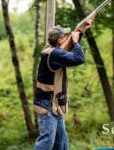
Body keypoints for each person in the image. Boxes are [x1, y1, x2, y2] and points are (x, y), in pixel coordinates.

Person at [33, 18, 94, 150]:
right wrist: (76, 40)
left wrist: (82, 30)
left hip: (54, 104)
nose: (67, 37)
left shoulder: (51, 50)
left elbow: (67, 48)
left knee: (61, 142)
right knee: (46, 142)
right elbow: (79, 58)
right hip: (47, 105)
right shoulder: (54, 54)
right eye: (65, 36)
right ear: (59, 40)